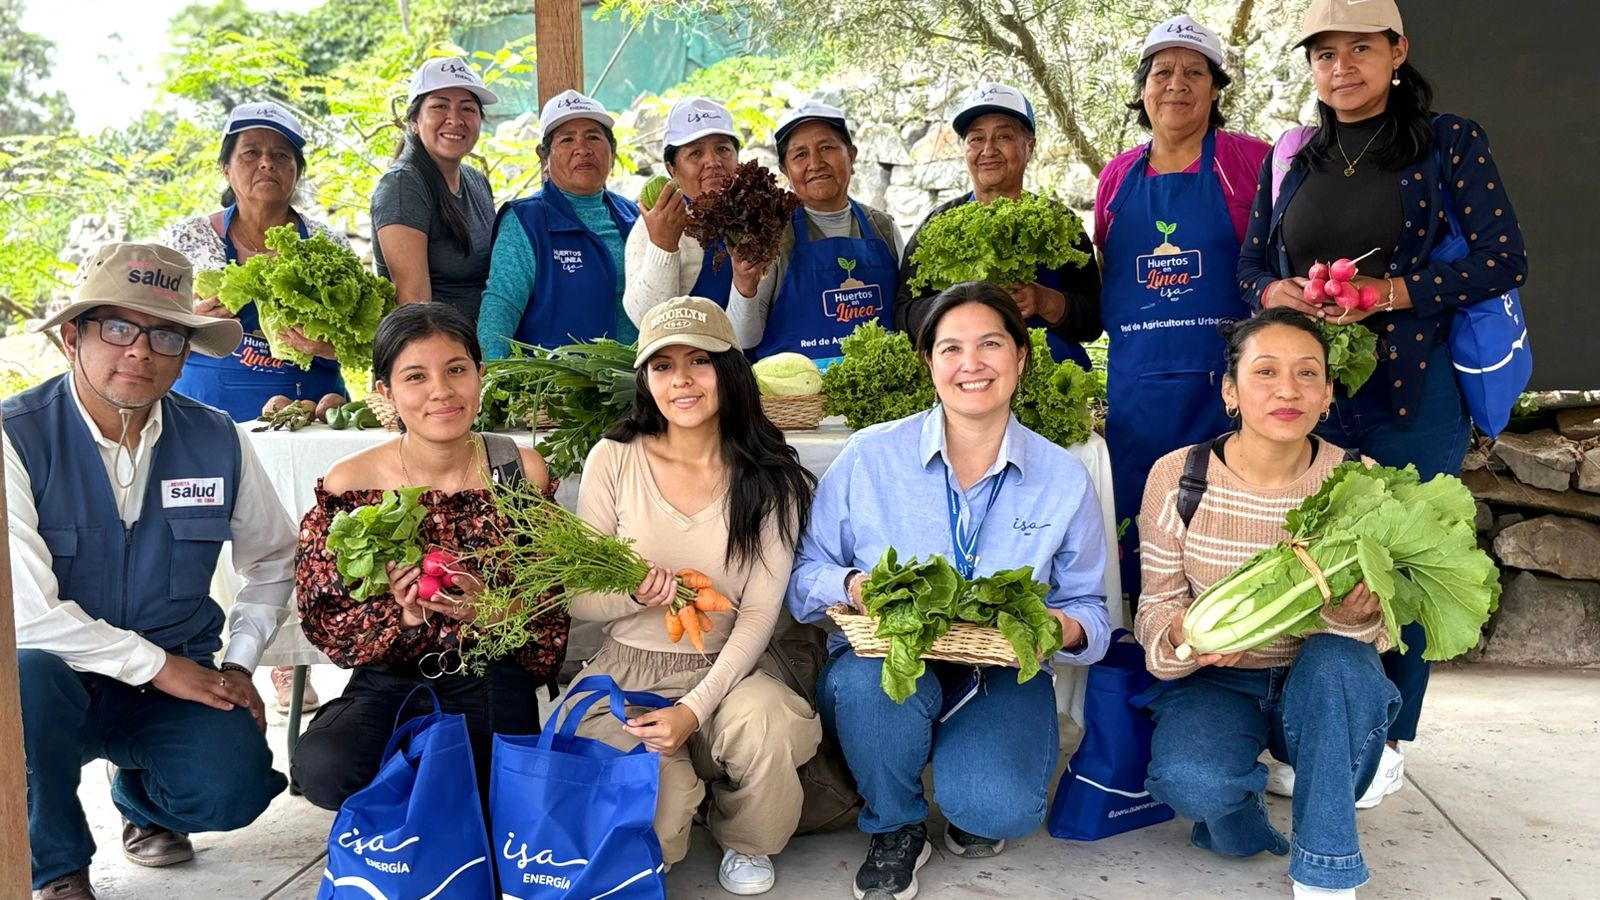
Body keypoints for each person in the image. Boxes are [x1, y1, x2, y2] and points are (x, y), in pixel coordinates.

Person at [1237, 0, 1527, 805]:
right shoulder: (1292, 156)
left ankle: (1390, 737)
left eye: (1360, 49)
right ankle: (1312, 730)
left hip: (1416, 391)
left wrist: (1389, 292)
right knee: (1310, 555)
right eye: (1324, 54)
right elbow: (1250, 264)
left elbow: (1504, 258)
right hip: (1312, 394)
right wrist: (1277, 292)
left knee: (1409, 558)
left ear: (1398, 52)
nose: (1342, 68)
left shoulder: (1449, 143)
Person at [789, 282, 1110, 900]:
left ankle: (969, 780)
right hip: (884, 659)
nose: (971, 364)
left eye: (991, 344)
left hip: (997, 668)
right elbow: (805, 575)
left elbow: (1090, 609)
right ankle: (896, 824)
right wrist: (854, 585)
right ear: (929, 362)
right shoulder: (869, 456)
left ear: (1021, 356)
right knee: (871, 687)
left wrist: (1060, 627)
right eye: (951, 348)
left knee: (999, 811)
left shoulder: (1062, 477)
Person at [5, 243, 293, 900]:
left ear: (185, 353)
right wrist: (156, 665)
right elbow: (25, 613)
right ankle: (56, 866)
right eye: (117, 328)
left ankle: (141, 802)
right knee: (22, 681)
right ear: (72, 338)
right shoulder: (13, 437)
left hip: (175, 678)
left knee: (234, 788)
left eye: (165, 334)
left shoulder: (219, 438)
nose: (140, 351)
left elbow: (275, 559)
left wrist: (239, 664)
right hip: (54, 683)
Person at [1134, 309, 1400, 900]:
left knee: (1337, 665)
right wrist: (1184, 635)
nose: (1288, 390)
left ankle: (1326, 868)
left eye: (1308, 373)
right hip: (1218, 680)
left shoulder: (1360, 481)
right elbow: (1154, 611)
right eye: (1265, 372)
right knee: (1193, 784)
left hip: (1323, 680)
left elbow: (1386, 629)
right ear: (1230, 390)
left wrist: (1353, 619)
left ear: (1327, 395)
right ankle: (1251, 802)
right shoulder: (1179, 477)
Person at [567, 296, 821, 895]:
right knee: (654, 817)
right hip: (628, 670)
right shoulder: (614, 458)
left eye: (699, 361)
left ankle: (748, 839)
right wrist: (634, 594)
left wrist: (693, 710)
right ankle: (684, 792)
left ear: (729, 369)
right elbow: (578, 598)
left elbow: (758, 613)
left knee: (767, 725)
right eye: (663, 366)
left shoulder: (769, 476)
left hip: (733, 668)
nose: (681, 380)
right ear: (645, 379)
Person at [289, 302, 568, 809]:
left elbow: (549, 602)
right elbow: (324, 614)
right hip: (388, 673)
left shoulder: (516, 470)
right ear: (385, 392)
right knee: (327, 768)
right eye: (416, 376)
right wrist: (403, 615)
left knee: (494, 787)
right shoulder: (352, 483)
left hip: (487, 668)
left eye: (456, 370)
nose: (441, 390)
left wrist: (489, 611)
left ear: (480, 375)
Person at [161, 99, 348, 713]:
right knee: (201, 537)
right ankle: (197, 652)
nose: (266, 164)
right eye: (251, 153)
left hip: (306, 408)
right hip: (207, 405)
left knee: (309, 531)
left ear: (297, 170)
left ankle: (290, 658)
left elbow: (361, 337)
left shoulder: (324, 243)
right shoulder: (188, 240)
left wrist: (324, 342)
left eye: (281, 155)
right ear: (227, 167)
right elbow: (152, 324)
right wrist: (190, 318)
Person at [1092, 17, 1271, 596]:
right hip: (1137, 393)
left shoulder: (1251, 162)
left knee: (1228, 534)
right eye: (1162, 72)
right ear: (1143, 89)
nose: (1177, 83)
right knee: (1141, 531)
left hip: (1228, 388)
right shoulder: (1117, 177)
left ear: (1215, 89)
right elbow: (1108, 272)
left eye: (1194, 72)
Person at [896, 83, 1102, 370]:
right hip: (969, 380)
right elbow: (903, 313)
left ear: (1029, 146)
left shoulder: (1060, 223)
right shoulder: (937, 225)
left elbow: (1092, 321)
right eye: (976, 139)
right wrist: (958, 305)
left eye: (1004, 136)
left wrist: (1043, 300)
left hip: (1051, 375)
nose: (988, 150)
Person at [726, 100, 900, 365]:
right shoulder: (772, 235)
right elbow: (743, 338)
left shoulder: (884, 228)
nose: (815, 163)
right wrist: (744, 285)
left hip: (880, 385)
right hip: (795, 391)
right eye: (800, 155)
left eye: (826, 148)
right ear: (785, 171)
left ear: (851, 156)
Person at [478, 90, 639, 358]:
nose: (583, 149)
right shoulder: (525, 220)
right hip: (556, 382)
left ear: (612, 151)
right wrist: (492, 374)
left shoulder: (633, 215)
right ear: (544, 157)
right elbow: (501, 307)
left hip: (635, 378)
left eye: (593, 137)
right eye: (567, 139)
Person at [372, 57, 499, 324]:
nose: (455, 119)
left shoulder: (476, 181)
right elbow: (414, 305)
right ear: (414, 121)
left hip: (484, 343)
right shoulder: (403, 186)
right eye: (440, 106)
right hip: (437, 346)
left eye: (468, 109)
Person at [623, 96, 742, 323]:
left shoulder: (754, 216)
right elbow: (645, 317)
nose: (713, 162)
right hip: (681, 345)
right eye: (695, 153)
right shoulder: (651, 225)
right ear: (672, 169)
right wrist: (663, 244)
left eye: (723, 149)